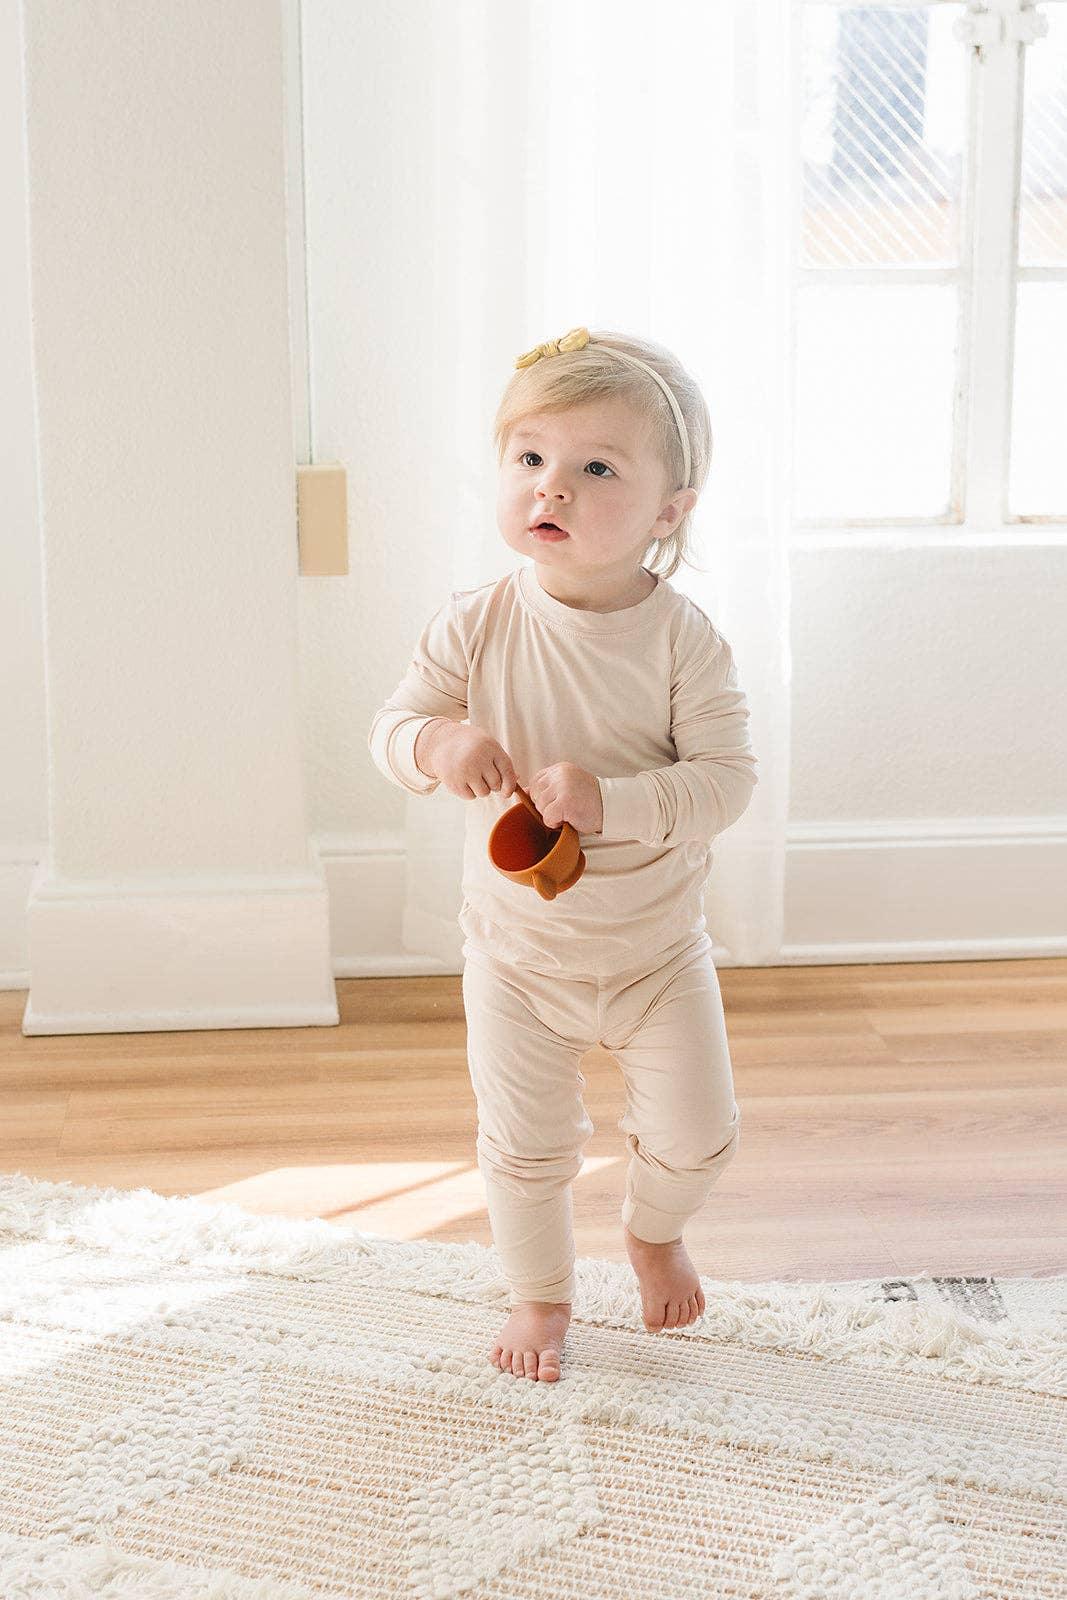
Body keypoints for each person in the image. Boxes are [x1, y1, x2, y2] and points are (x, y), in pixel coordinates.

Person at [367, 326, 758, 1383]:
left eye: (596, 468)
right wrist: (437, 742)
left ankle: (651, 1226)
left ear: (668, 513)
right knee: (524, 1147)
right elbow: (391, 729)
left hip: (652, 954)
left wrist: (610, 801)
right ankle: (539, 1297)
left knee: (697, 1133)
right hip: (517, 957)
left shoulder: (682, 643)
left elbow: (726, 783)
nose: (553, 488)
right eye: (530, 457)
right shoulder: (477, 624)